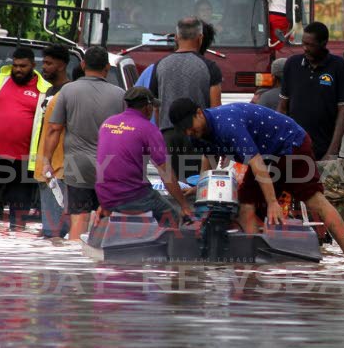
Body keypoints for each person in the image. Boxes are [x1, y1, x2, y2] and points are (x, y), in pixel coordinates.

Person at [169, 99, 344, 263]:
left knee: (314, 201)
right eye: (184, 131)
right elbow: (209, 159)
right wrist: (201, 188)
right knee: (246, 205)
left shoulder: (227, 124)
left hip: (291, 145)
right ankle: (253, 262)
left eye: (190, 127)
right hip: (266, 155)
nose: (189, 133)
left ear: (199, 113)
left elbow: (257, 163)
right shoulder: (197, 133)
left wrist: (272, 202)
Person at [41, 46, 126, 242]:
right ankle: (99, 261)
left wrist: (46, 162)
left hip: (77, 165)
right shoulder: (120, 94)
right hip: (109, 166)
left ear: (82, 64)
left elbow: (54, 128)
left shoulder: (68, 91)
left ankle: (75, 265)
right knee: (105, 214)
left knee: (79, 216)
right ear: (107, 67)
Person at [0, 47, 52, 229]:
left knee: (20, 206)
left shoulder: (44, 89)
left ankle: (17, 246)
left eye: (23, 66)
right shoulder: (0, 80)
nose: (18, 70)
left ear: (33, 65)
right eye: (15, 65)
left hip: (24, 159)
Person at [96, 87, 195, 223]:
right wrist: (184, 206)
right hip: (131, 196)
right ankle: (162, 244)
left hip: (104, 195)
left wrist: (106, 202)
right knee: (171, 216)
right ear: (148, 107)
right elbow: (165, 173)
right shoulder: (148, 129)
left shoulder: (108, 123)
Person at [150, 17, 223, 181]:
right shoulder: (210, 67)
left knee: (173, 186)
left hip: (168, 135)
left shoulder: (159, 65)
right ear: (201, 38)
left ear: (176, 37)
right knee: (198, 185)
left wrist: (161, 134)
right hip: (198, 135)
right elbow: (216, 110)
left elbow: (155, 106)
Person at [279, 22, 344, 160]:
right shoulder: (292, 64)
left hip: (323, 148)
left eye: (310, 45)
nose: (305, 48)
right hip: (293, 147)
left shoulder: (338, 66)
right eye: (303, 43)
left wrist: (332, 151)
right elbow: (282, 107)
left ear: (323, 43)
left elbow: (343, 110)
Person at [34, 44, 72, 239]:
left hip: (59, 167)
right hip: (44, 166)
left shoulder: (68, 92)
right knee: (50, 231)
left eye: (49, 63)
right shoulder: (48, 91)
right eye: (44, 62)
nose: (44, 67)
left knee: (55, 233)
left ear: (62, 65)